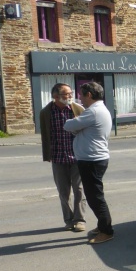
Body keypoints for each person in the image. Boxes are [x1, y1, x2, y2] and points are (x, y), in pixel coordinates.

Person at [64, 82, 115, 244]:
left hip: (92, 160)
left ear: (89, 95)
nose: (79, 98)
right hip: (93, 159)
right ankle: (102, 226)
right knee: (94, 196)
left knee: (95, 198)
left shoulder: (93, 112)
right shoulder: (97, 110)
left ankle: (107, 231)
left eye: (81, 94)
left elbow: (68, 125)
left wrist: (76, 123)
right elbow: (76, 128)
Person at [39, 83, 87, 232]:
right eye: (67, 94)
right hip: (58, 157)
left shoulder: (78, 109)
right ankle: (68, 219)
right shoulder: (46, 112)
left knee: (79, 189)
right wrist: (47, 154)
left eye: (70, 93)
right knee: (63, 192)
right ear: (56, 96)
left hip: (77, 157)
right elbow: (46, 136)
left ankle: (79, 220)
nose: (70, 96)